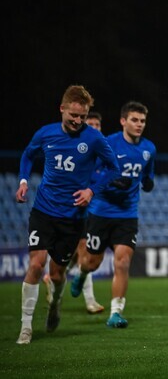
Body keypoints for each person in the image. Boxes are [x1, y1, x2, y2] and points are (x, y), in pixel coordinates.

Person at [15, 85, 121, 344]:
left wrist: (92, 191)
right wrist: (23, 181)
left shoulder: (94, 139)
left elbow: (113, 167)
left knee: (57, 273)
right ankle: (26, 327)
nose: (78, 121)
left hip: (72, 218)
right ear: (62, 109)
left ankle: (55, 304)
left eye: (82, 117)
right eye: (73, 115)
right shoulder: (46, 133)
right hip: (43, 211)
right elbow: (28, 155)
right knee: (36, 265)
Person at [70, 101, 157, 328]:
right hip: (101, 212)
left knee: (123, 261)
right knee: (92, 262)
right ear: (123, 121)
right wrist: (109, 182)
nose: (139, 125)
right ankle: (81, 273)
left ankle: (115, 312)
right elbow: (90, 172)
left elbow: (147, 176)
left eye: (142, 121)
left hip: (127, 214)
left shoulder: (149, 149)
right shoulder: (107, 144)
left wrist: (148, 183)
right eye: (134, 120)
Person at [44, 111, 106, 314]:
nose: (95, 127)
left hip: (92, 212)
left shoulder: (102, 152)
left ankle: (53, 283)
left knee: (78, 257)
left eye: (98, 124)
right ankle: (89, 301)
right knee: (83, 255)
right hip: (75, 212)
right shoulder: (78, 151)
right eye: (91, 124)